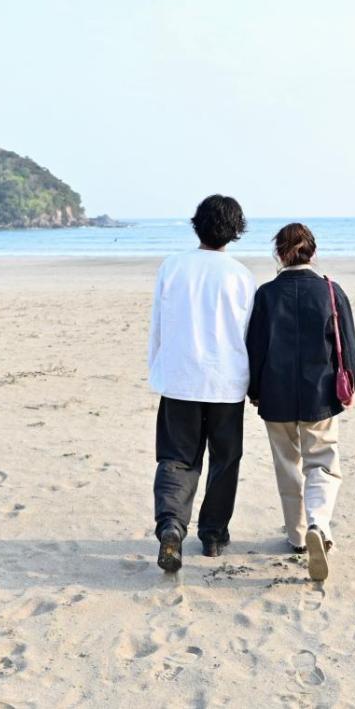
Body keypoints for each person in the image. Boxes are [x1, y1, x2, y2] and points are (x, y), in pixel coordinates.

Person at [246, 222, 355, 581]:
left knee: (287, 465)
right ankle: (318, 524)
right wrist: (352, 382)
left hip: (275, 393)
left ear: (279, 254)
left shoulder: (266, 294)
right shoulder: (330, 290)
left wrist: (254, 389)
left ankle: (297, 537)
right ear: (313, 251)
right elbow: (347, 343)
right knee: (322, 463)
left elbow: (254, 348)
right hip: (320, 393)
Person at [148, 195, 257, 572]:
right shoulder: (241, 276)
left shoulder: (173, 267)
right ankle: (212, 535)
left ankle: (171, 526)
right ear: (236, 231)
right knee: (225, 460)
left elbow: (158, 324)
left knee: (176, 458)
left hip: (180, 378)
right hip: (226, 381)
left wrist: (159, 368)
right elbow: (248, 334)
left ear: (197, 225)